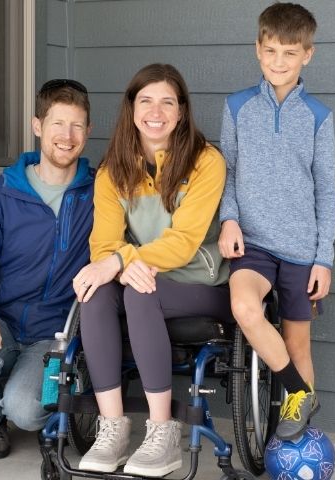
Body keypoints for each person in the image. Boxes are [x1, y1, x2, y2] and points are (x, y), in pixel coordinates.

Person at [72, 63, 230, 477]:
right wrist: (120, 266)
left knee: (138, 291)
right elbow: (104, 244)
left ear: (181, 112)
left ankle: (161, 434)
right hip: (140, 277)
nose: (155, 111)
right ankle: (113, 429)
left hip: (201, 280)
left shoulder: (206, 161)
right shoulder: (112, 172)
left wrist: (122, 262)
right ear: (131, 108)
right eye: (146, 100)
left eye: (167, 102)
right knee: (96, 293)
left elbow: (183, 241)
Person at [0, 79, 94, 459]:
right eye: (57, 123)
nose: (67, 135)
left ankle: (23, 401)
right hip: (3, 323)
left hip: (55, 334)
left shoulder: (98, 193)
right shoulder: (4, 192)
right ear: (37, 126)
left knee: (26, 411)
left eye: (77, 125)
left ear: (88, 131)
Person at [217, 2, 335, 440]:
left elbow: (326, 189)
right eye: (270, 51)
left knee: (297, 343)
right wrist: (229, 219)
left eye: (289, 53)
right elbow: (225, 171)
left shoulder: (319, 117)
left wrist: (323, 259)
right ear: (258, 49)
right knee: (245, 308)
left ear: (308, 54)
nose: (278, 62)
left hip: (303, 250)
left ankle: (298, 437)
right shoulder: (237, 107)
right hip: (253, 245)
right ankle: (298, 392)